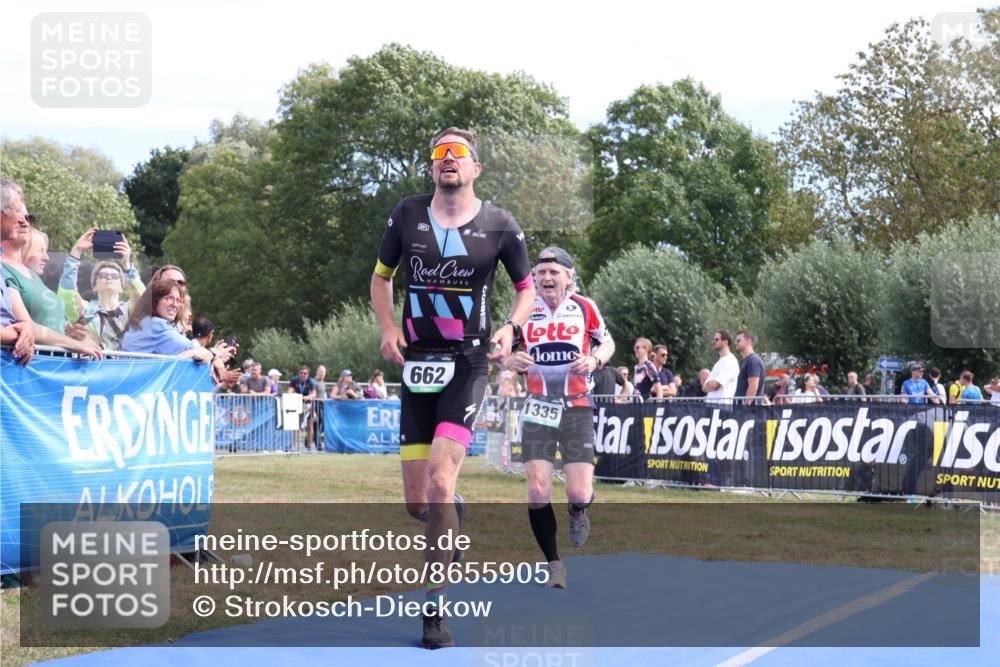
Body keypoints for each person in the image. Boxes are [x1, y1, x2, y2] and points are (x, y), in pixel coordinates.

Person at [370, 127, 533, 648]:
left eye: (457, 153)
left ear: (475, 168)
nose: (447, 160)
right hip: (417, 365)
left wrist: (510, 327)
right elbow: (381, 277)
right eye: (439, 153)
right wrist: (388, 328)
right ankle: (453, 511)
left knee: (439, 484)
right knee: (420, 504)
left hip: (468, 365)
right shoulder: (408, 214)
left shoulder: (500, 226)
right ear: (431, 167)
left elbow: (526, 290)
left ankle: (434, 612)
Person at [502, 247, 614, 590]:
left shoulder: (585, 307)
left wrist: (595, 360)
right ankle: (553, 564)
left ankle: (578, 511)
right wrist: (508, 364)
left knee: (579, 491)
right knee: (537, 490)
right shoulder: (523, 311)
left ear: (568, 276)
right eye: (541, 273)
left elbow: (607, 344)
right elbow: (501, 351)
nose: (546, 278)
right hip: (538, 407)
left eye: (554, 272)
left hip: (577, 405)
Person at [0, 178, 101, 361]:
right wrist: (76, 345)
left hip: (51, 368)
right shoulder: (7, 270)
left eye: (28, 217)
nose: (25, 222)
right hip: (25, 369)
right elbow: (25, 326)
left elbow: (30, 325)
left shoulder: (30, 275)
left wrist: (74, 336)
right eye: (18, 213)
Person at [58, 228, 144, 350]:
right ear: (94, 286)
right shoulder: (85, 311)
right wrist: (76, 251)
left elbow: (144, 300)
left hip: (128, 367)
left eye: (114, 276)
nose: (108, 277)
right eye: (102, 275)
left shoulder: (130, 310)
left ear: (121, 287)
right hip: (94, 367)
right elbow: (67, 295)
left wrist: (127, 266)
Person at [121, 278, 232, 365]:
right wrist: (215, 352)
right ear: (154, 301)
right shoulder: (156, 324)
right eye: (169, 298)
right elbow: (190, 348)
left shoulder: (144, 321)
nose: (175, 304)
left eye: (178, 300)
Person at [702, 330, 739, 403]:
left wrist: (709, 384)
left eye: (716, 339)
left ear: (725, 342)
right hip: (712, 405)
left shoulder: (730, 361)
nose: (713, 342)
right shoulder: (718, 363)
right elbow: (704, 388)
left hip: (722, 406)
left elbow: (715, 385)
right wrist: (710, 384)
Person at [288, 366, 318, 449]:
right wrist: (294, 395)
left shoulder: (311, 381)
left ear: (308, 374)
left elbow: (314, 393)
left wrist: (308, 397)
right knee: (295, 425)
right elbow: (290, 390)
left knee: (309, 425)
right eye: (301, 373)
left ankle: (309, 446)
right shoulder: (295, 380)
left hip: (309, 405)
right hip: (297, 404)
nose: (303, 375)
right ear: (299, 373)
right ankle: (294, 446)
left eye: (305, 373)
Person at [734, 330, 765, 405]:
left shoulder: (753, 360)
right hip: (744, 410)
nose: (735, 342)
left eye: (738, 340)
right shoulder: (747, 360)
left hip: (750, 412)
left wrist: (746, 407)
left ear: (749, 341)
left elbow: (753, 386)